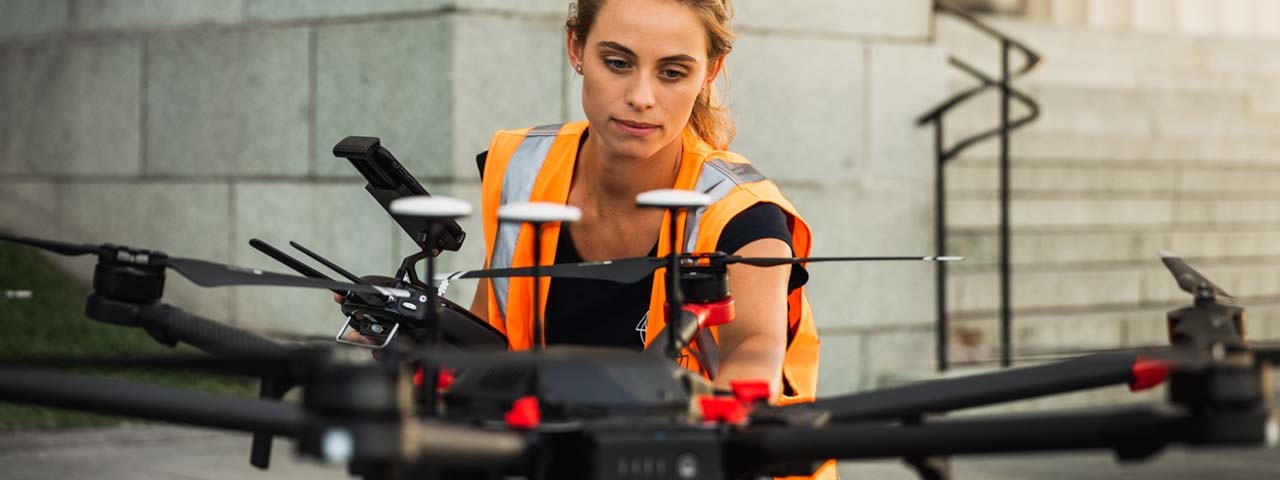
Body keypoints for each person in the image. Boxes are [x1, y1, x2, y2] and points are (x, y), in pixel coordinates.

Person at [471, 0, 824, 413]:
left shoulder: (745, 217)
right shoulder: (523, 168)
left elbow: (753, 353)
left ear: (710, 71)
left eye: (672, 73)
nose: (641, 97)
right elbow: (486, 331)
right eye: (618, 63)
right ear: (576, 47)